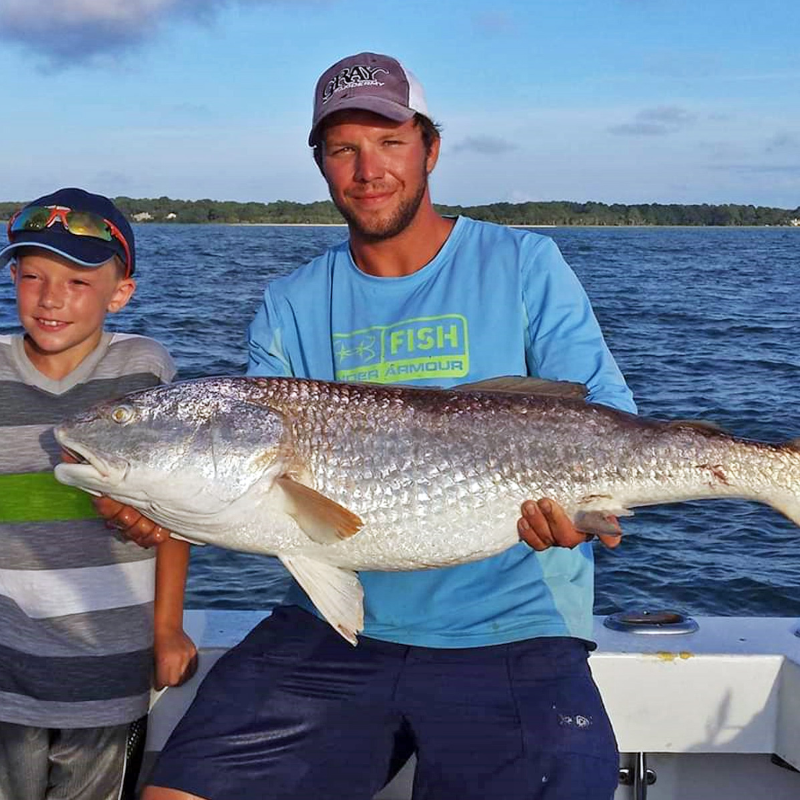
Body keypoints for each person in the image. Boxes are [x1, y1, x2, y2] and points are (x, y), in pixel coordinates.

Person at [103, 53, 636, 800]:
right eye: (343, 148)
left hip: (516, 631)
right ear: (320, 163)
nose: (368, 169)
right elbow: (249, 487)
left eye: (389, 141)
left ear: (430, 148)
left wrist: (585, 512)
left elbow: (609, 420)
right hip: (330, 628)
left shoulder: (524, 263)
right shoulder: (290, 301)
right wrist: (159, 507)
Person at [0, 188, 198, 800]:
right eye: (32, 276)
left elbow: (178, 508)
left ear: (121, 292)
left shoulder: (144, 368)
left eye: (78, 281)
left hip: (109, 668)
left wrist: (168, 629)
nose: (50, 297)